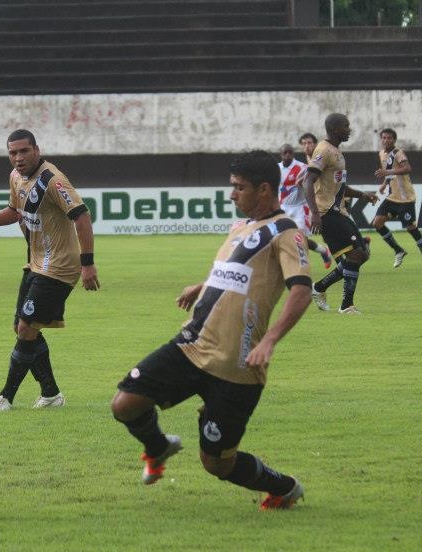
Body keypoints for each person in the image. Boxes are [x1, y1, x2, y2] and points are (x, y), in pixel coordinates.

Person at [111, 150, 312, 510]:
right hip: (192, 346)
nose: (232, 194)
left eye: (239, 187)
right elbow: (236, 273)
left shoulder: (287, 233)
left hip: (237, 367)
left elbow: (301, 290)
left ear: (264, 189)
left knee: (217, 463)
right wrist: (201, 286)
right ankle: (158, 447)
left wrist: (269, 340)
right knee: (125, 403)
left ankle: (284, 487)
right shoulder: (240, 226)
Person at [0, 129, 99, 411]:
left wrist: (87, 263)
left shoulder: (53, 180)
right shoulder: (16, 177)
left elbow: (82, 217)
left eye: (24, 151)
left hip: (60, 267)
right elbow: (16, 211)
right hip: (36, 263)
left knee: (26, 328)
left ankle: (6, 397)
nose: (18, 158)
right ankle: (50, 394)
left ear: (36, 150)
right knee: (23, 326)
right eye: (12, 153)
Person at [303, 113, 378, 314]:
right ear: (336, 129)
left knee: (359, 255)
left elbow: (339, 186)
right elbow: (308, 180)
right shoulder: (324, 150)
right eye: (346, 126)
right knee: (359, 253)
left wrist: (362, 195)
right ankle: (346, 305)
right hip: (327, 212)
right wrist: (315, 213)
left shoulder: (335, 151)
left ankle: (319, 288)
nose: (349, 129)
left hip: (338, 211)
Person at [372, 128, 422, 270]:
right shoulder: (381, 153)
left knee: (411, 228)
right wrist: (384, 185)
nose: (385, 140)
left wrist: (387, 172)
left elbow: (407, 168)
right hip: (392, 197)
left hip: (406, 198)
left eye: (389, 138)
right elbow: (389, 173)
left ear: (394, 140)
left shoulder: (398, 153)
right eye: (383, 138)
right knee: (377, 223)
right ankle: (398, 250)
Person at [278, 143, 332, 268]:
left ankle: (300, 266)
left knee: (300, 238)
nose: (288, 155)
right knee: (283, 238)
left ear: (293, 153)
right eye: (285, 152)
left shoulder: (301, 167)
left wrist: (302, 178)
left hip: (300, 208)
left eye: (290, 152)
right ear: (280, 154)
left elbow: (313, 174)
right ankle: (323, 251)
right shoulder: (276, 169)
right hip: (283, 208)